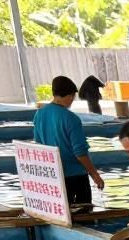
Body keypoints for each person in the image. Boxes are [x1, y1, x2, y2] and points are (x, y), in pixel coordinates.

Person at [32, 75, 104, 205]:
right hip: (75, 175)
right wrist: (95, 175)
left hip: (54, 175)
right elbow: (80, 152)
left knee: (60, 210)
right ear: (70, 96)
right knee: (82, 212)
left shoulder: (39, 114)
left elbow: (38, 144)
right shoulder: (71, 118)